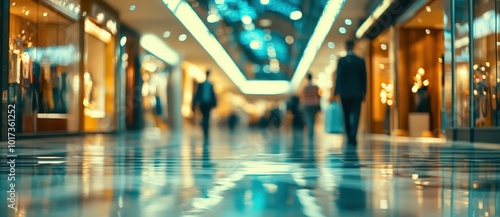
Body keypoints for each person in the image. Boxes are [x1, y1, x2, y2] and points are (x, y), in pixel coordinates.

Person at [333, 40, 367, 145]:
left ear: (346, 47)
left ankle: (348, 136)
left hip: (345, 93)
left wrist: (336, 92)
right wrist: (364, 92)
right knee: (356, 114)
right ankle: (353, 135)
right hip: (357, 93)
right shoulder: (360, 61)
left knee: (346, 114)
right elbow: (364, 78)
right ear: (354, 47)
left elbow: (338, 77)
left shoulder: (341, 61)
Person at [192, 70, 217, 141]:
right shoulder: (202, 84)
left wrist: (214, 104)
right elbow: (197, 94)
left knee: (206, 118)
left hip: (207, 104)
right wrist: (195, 103)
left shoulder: (210, 85)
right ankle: (205, 130)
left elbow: (212, 95)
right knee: (205, 118)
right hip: (203, 103)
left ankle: (205, 132)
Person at [301, 73, 321, 140]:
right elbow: (319, 96)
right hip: (314, 104)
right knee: (313, 118)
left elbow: (303, 97)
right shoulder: (316, 87)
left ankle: (311, 132)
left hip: (307, 104)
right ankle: (311, 131)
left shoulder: (305, 88)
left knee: (309, 118)